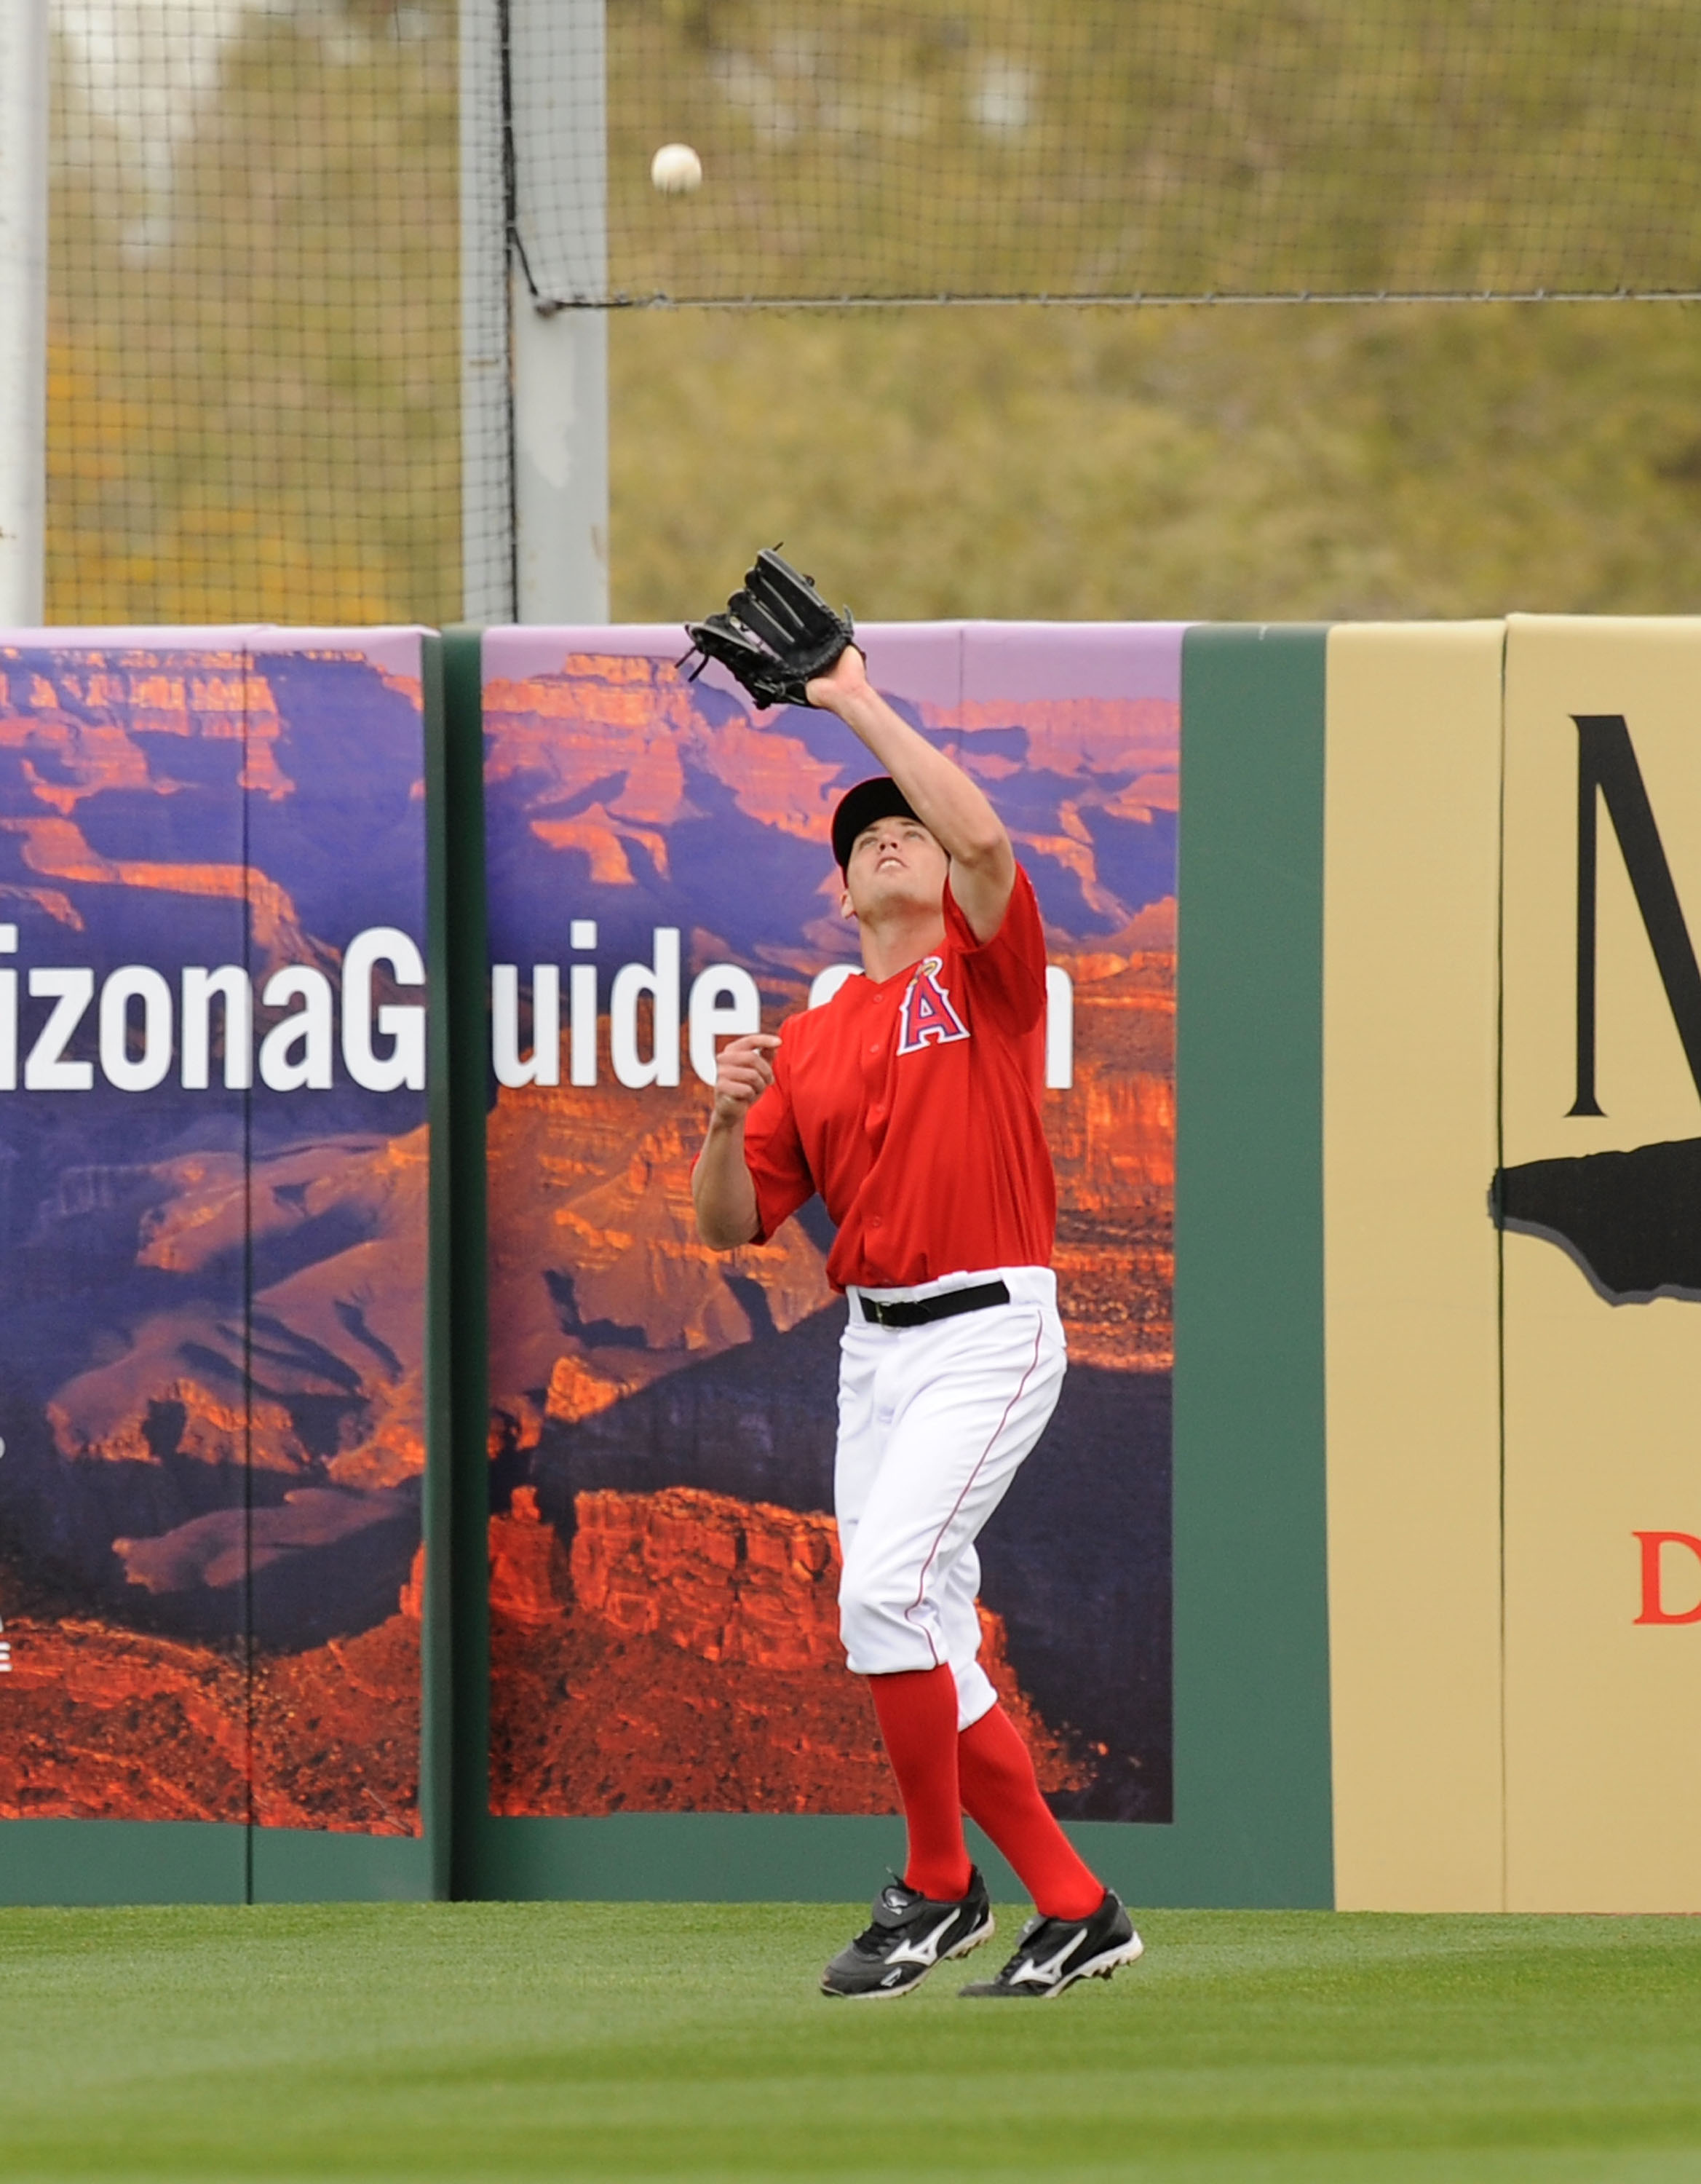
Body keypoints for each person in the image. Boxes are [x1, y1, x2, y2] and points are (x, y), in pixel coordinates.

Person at [691, 642, 1143, 2001]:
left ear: (940, 873)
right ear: (837, 893)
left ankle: (939, 1887)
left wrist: (850, 696)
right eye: (862, 841)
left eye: (905, 830)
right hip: (874, 1349)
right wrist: (722, 1117)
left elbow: (988, 838)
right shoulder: (814, 1031)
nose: (889, 842)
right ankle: (1069, 1905)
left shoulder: (983, 980)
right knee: (908, 1623)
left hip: (989, 1328)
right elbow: (726, 1226)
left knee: (883, 1592)